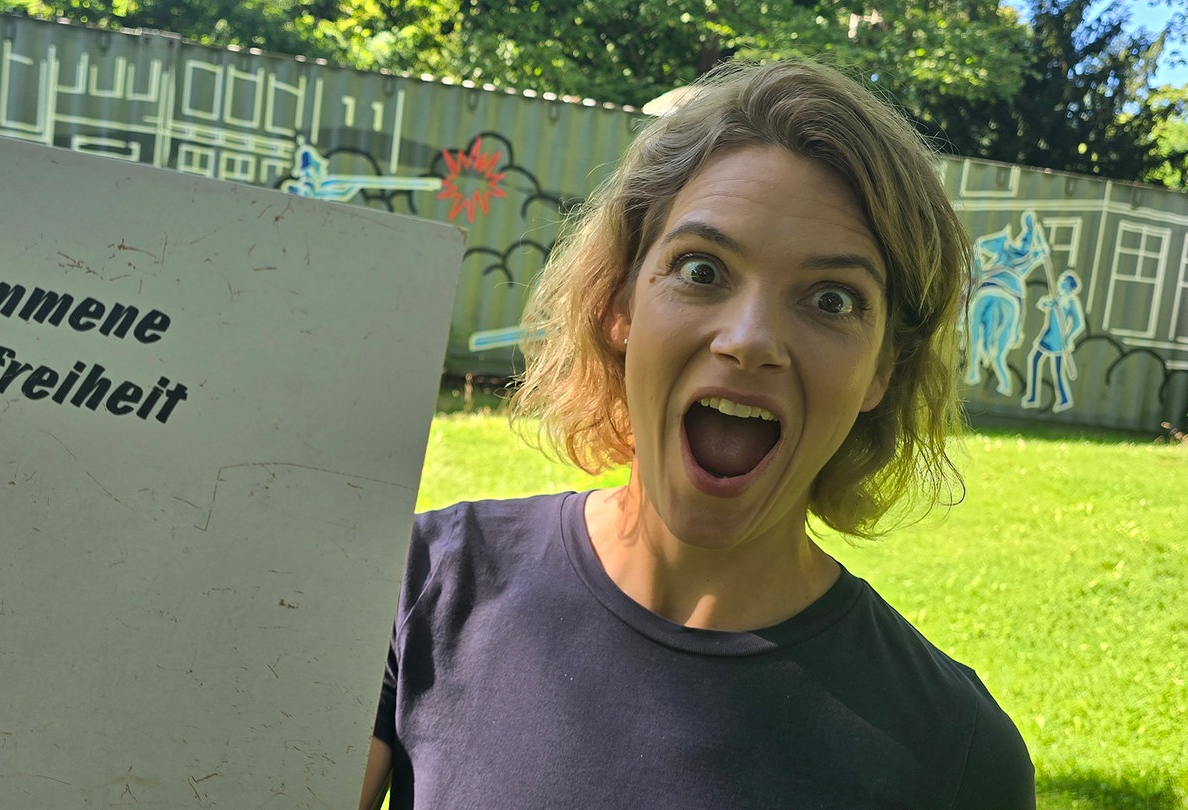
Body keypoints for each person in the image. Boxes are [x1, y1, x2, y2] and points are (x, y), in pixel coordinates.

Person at [360, 59, 1035, 809]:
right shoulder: (418, 586)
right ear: (619, 305)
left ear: (883, 369)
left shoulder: (957, 754)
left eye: (832, 299)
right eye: (702, 270)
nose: (750, 340)